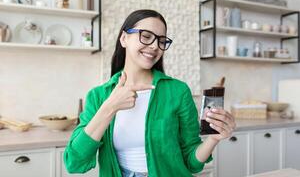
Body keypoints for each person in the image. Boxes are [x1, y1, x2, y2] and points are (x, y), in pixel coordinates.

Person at [64, 9, 236, 177]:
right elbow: (74, 162)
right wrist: (110, 107)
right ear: (124, 38)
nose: (155, 46)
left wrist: (214, 138)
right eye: (146, 36)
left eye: (161, 41)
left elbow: (191, 162)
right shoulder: (98, 96)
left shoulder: (178, 91)